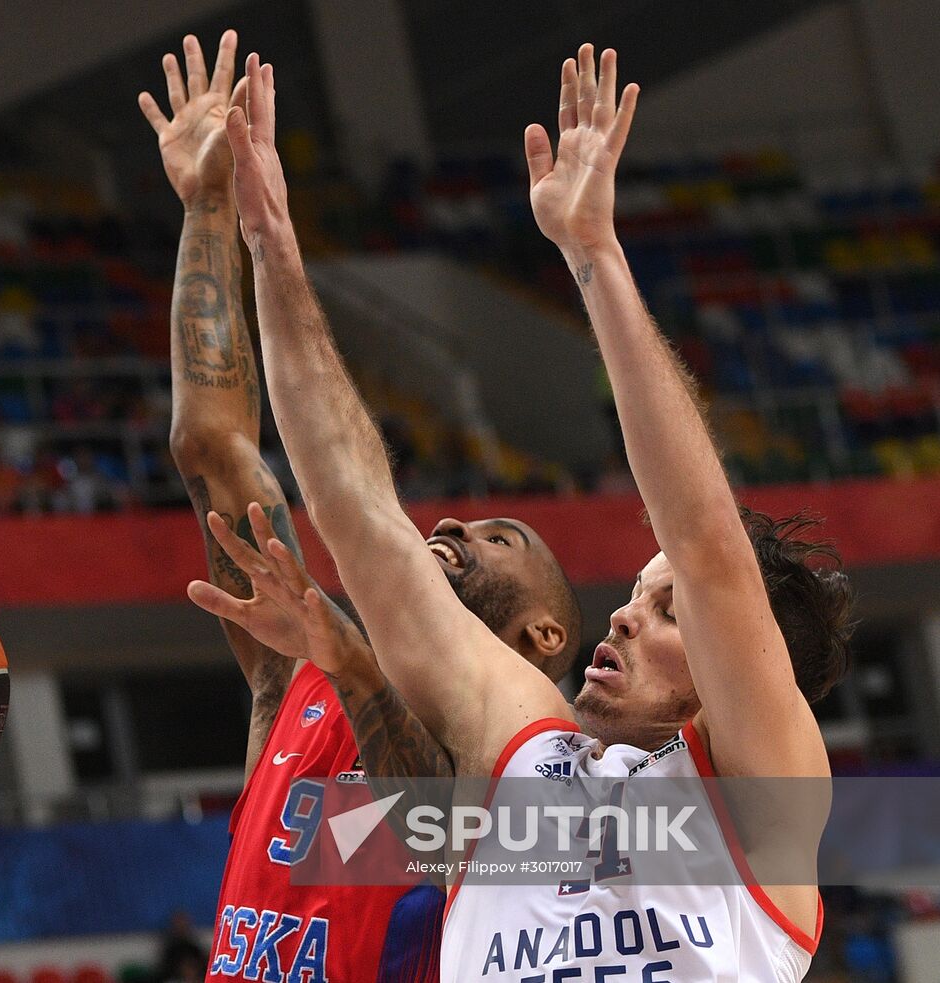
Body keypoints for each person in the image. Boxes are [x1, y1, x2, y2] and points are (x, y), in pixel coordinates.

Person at [217, 44, 853, 981]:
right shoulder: (524, 756)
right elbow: (365, 527)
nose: (628, 613)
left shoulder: (766, 791)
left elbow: (709, 543)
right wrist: (270, 244)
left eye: (668, 609)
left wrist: (594, 255)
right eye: (640, 592)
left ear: (737, 672)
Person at [141, 31, 582, 982]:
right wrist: (208, 206)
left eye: (503, 537)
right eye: (465, 522)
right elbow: (209, 446)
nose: (456, 524)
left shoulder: (520, 751)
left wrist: (345, 656)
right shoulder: (295, 679)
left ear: (545, 635)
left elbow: (430, 829)